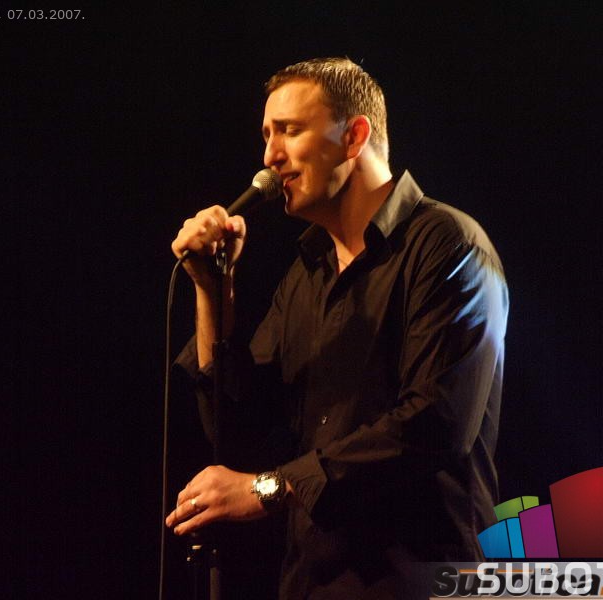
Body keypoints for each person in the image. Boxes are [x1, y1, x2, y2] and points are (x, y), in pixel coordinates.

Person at [167, 57, 509, 599]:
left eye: (289, 130)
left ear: (354, 137)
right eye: (266, 135)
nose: (269, 156)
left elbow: (436, 424)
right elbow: (236, 430)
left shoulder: (448, 245)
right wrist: (213, 290)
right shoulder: (306, 277)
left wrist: (271, 488)